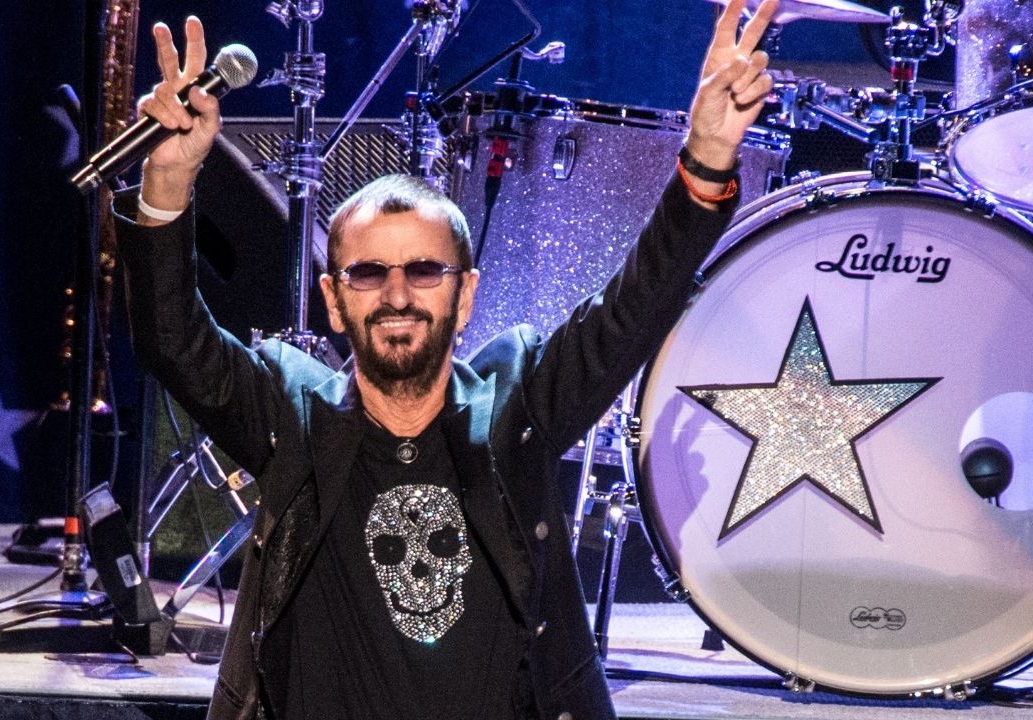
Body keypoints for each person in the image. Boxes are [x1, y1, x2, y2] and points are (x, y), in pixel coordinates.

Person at [115, 1, 778, 717]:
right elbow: (171, 340)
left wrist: (707, 159)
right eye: (369, 274)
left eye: (424, 271)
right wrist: (170, 183)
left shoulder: (520, 402)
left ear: (465, 298)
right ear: (334, 302)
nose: (397, 294)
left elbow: (633, 308)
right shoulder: (290, 414)